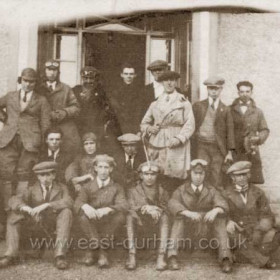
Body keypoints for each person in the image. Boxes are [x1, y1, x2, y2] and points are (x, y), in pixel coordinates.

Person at [0, 161, 73, 270]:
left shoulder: (61, 187)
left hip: (53, 223)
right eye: (42, 175)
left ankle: (60, 255)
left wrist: (47, 205)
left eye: (48, 175)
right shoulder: (31, 188)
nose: (45, 178)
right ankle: (10, 255)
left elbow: (69, 201)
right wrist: (24, 207)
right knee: (13, 215)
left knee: (67, 212)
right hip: (35, 223)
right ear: (38, 177)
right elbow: (13, 199)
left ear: (53, 175)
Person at [167, 159, 233, 273]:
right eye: (195, 173)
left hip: (206, 228)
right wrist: (186, 212)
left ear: (205, 174)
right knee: (179, 219)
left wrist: (216, 210)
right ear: (190, 174)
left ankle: (225, 258)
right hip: (188, 228)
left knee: (220, 219)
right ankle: (172, 257)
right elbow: (172, 203)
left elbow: (222, 202)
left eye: (201, 173)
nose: (198, 177)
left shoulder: (211, 190)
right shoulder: (181, 189)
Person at [0, 68, 51, 212]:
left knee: (24, 175)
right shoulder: (10, 96)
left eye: (31, 82)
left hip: (30, 142)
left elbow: (46, 123)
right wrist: (6, 119)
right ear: (20, 80)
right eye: (25, 81)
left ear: (35, 83)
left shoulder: (41, 100)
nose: (28, 84)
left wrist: (39, 140)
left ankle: (19, 209)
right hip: (7, 140)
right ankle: (7, 209)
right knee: (6, 174)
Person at [141, 71, 195, 193]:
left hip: (176, 140)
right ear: (162, 83)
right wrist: (150, 128)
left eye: (172, 80)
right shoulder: (155, 103)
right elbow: (144, 123)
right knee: (158, 173)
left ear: (176, 82)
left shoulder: (184, 102)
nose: (169, 83)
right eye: (166, 80)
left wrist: (179, 138)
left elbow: (190, 124)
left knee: (175, 174)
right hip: (158, 141)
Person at [74, 154, 128, 268]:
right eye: (100, 167)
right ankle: (100, 249)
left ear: (111, 169)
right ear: (95, 168)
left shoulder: (117, 187)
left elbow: (123, 204)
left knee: (120, 217)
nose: (103, 171)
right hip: (92, 220)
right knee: (82, 216)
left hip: (109, 220)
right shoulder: (87, 186)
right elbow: (77, 202)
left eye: (106, 167)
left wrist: (108, 209)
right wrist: (85, 206)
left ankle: (98, 251)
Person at [224, 161, 280, 269]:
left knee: (274, 235)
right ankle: (264, 261)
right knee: (232, 237)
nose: (242, 178)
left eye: (244, 174)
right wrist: (228, 221)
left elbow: (267, 214)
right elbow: (222, 211)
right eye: (238, 175)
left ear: (249, 175)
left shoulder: (258, 192)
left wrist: (259, 230)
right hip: (238, 231)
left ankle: (241, 256)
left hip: (256, 230)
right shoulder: (226, 193)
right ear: (232, 177)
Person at [192, 76, 235, 189]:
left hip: (218, 147)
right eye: (211, 88)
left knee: (217, 174)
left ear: (221, 90)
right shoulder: (198, 106)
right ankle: (203, 201)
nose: (214, 91)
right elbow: (191, 126)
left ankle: (217, 201)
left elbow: (230, 131)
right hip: (201, 145)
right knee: (202, 171)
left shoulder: (226, 109)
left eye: (217, 88)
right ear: (207, 89)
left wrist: (230, 151)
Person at [126, 161, 169, 271]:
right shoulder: (133, 190)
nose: (149, 177)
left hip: (156, 220)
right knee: (130, 217)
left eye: (152, 174)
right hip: (139, 219)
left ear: (157, 175)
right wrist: (146, 208)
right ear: (141, 175)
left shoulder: (162, 190)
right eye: (146, 174)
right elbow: (130, 205)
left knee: (165, 218)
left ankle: (161, 256)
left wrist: (156, 209)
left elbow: (166, 205)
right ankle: (132, 255)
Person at [38, 59, 81, 159]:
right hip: (43, 124)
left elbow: (76, 107)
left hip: (63, 124)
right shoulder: (38, 88)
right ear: (44, 71)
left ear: (58, 72)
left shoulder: (66, 89)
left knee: (71, 147)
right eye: (49, 70)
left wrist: (64, 112)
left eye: (55, 70)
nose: (52, 73)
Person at [230, 81, 269, 184]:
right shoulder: (229, 110)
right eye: (242, 92)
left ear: (252, 92)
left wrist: (259, 138)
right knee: (235, 177)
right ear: (238, 93)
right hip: (235, 149)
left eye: (247, 91)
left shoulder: (257, 111)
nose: (245, 94)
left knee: (251, 178)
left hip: (251, 149)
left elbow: (264, 129)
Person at [72, 67, 119, 143]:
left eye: (91, 78)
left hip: (96, 126)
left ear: (95, 79)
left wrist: (103, 118)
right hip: (79, 126)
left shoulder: (101, 91)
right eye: (85, 78)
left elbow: (112, 107)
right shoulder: (75, 90)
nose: (88, 81)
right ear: (82, 78)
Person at [109, 63, 144, 135]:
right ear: (122, 75)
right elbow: (115, 110)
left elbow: (139, 111)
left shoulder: (140, 91)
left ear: (135, 75)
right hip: (119, 126)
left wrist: (138, 129)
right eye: (126, 74)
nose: (129, 76)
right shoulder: (115, 91)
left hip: (134, 126)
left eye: (131, 74)